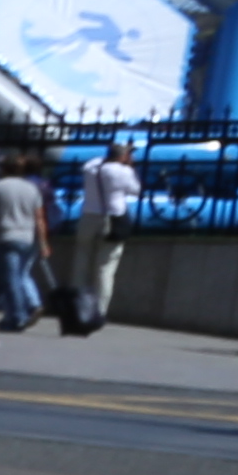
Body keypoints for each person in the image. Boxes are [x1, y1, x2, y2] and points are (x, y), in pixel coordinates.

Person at [75, 139, 140, 335]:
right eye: (128, 153)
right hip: (112, 219)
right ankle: (100, 312)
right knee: (105, 269)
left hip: (88, 216)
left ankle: (78, 307)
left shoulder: (91, 167)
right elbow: (136, 190)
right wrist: (129, 167)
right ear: (122, 156)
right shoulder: (124, 172)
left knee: (81, 263)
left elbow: (89, 166)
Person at [0, 154, 48, 334]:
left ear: (3, 169)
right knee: (6, 275)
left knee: (11, 278)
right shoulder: (32, 189)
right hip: (26, 238)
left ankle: (19, 316)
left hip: (3, 237)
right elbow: (39, 218)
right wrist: (43, 243)